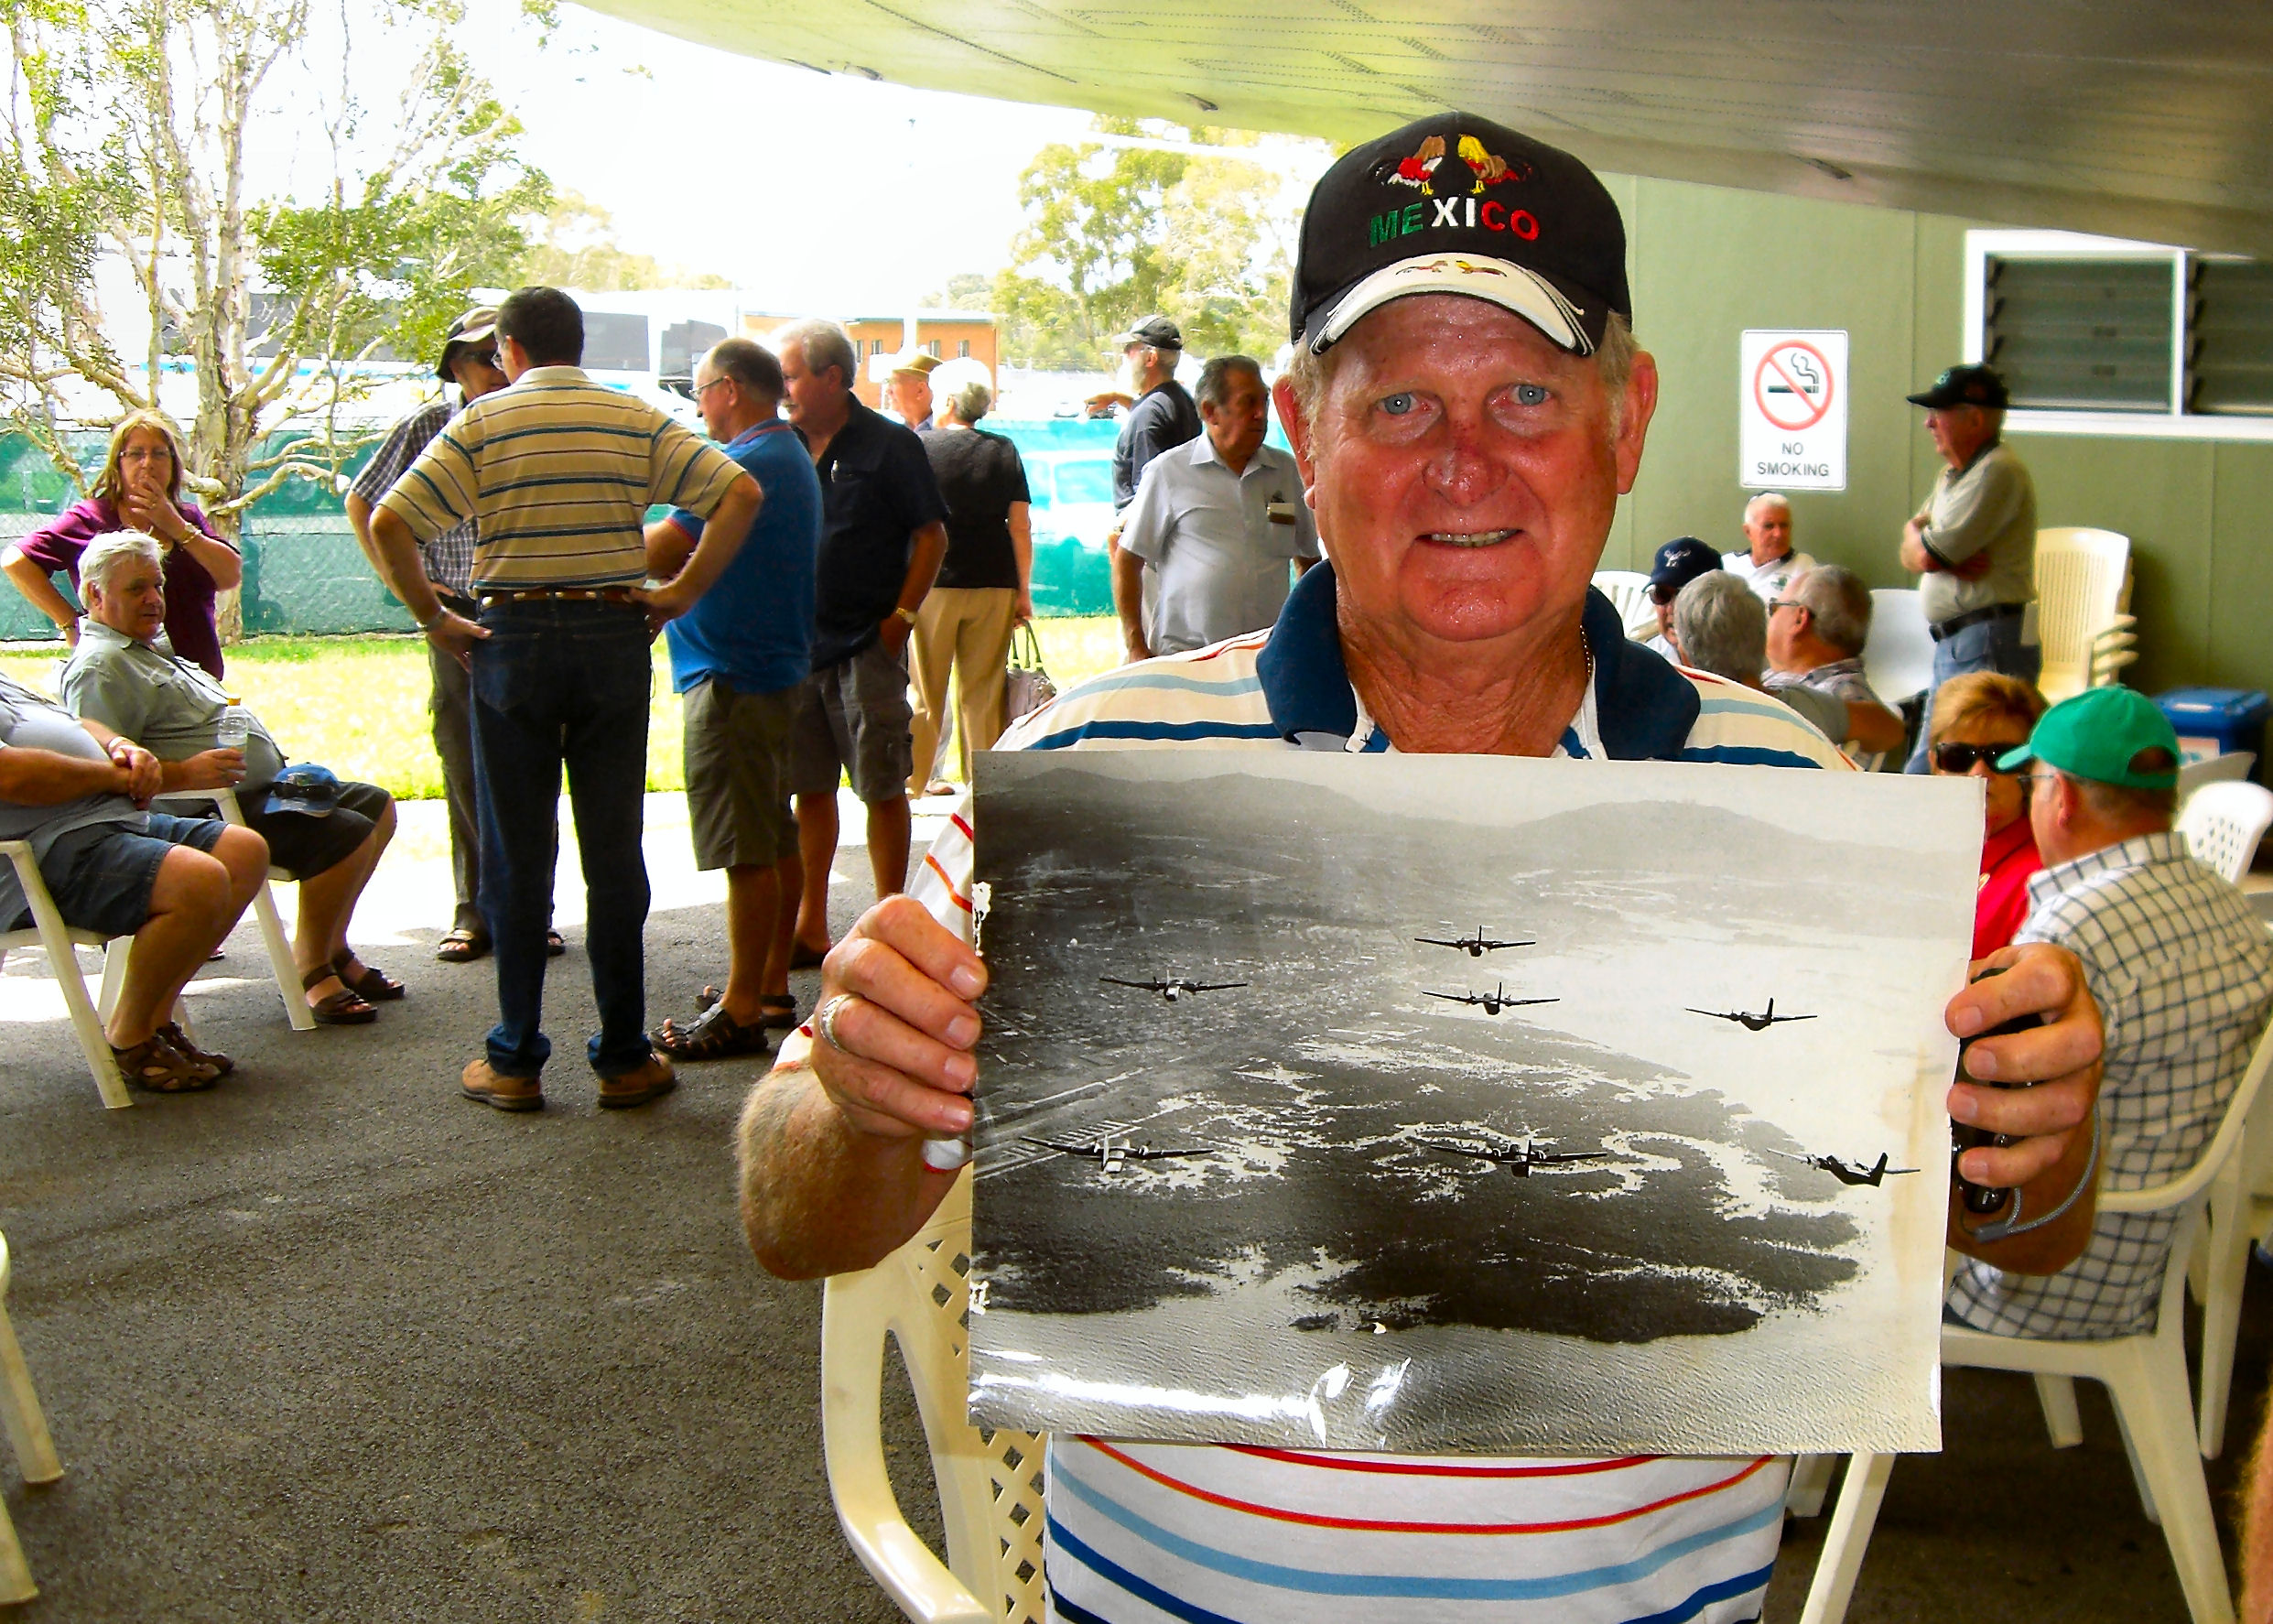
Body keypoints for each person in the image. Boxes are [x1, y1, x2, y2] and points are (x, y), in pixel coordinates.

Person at [733, 113, 2107, 1624]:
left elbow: (2014, 1234)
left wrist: (2044, 1127)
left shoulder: (1792, 791)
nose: (1464, 460)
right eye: (1396, 401)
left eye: (1526, 389)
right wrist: (863, 1093)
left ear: (1626, 419)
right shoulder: (1089, 774)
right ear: (1307, 433)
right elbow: (788, 1210)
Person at [366, 286, 761, 1113]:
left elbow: (391, 521)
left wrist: (434, 617)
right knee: (614, 854)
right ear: (579, 345)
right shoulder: (633, 417)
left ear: (508, 349)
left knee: (516, 853)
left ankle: (513, 1060)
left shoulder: (480, 421)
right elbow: (739, 495)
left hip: (508, 641)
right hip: (611, 634)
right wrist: (681, 591)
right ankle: (623, 1059)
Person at [1948, 686, 2273, 1341]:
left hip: (2040, 1271)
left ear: (2059, 796)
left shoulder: (2068, 936)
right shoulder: (2232, 905)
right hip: (2153, 1250)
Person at [61, 530, 402, 1025]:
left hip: (251, 793)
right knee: (343, 831)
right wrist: (184, 773)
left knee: (374, 804)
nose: (154, 599)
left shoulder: (145, 649)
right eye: (137, 589)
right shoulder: (101, 666)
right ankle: (310, 968)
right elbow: (110, 774)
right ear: (94, 594)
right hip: (205, 813)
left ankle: (334, 949)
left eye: (157, 585)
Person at [345, 305, 562, 966]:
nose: (492, 372)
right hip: (455, 614)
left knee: (534, 764)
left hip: (530, 610)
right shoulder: (428, 426)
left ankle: (533, 912)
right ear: (455, 368)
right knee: (466, 762)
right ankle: (474, 910)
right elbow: (366, 500)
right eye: (476, 360)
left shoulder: (540, 421)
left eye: (499, 356)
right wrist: (402, 584)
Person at [643, 338, 821, 1061]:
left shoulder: (746, 463)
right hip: (766, 669)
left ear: (729, 389)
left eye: (701, 391)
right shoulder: (786, 456)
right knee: (770, 835)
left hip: (734, 675)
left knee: (746, 846)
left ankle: (743, 1006)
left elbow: (660, 550)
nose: (698, 405)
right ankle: (764, 984)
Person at [774, 319, 949, 967]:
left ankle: (888, 923)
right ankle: (810, 924)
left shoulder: (890, 445)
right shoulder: (781, 444)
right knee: (809, 791)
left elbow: (932, 536)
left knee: (880, 785)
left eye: (790, 375)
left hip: (865, 647)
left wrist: (900, 617)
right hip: (795, 651)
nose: (782, 388)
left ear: (830, 378)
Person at [1, 667, 265, 1090]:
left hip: (108, 820)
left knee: (244, 852)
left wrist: (122, 746)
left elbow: (73, 722)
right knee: (197, 881)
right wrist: (116, 777)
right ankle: (130, 1036)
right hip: (38, 852)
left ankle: (155, 1019)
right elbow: (9, 775)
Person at [2, 411, 242, 678]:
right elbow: (15, 560)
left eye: (160, 454)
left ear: (174, 465)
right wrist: (70, 623)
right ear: (118, 464)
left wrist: (174, 524)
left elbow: (229, 576)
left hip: (197, 679)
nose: (148, 463)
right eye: (136, 454)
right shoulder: (91, 518)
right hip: (118, 678)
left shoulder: (189, 519)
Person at [1112, 354, 1320, 661]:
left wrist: (1311, 632)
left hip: (1267, 657)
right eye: (1248, 403)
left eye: (1264, 402)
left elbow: (1308, 561)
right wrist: (1136, 646)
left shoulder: (1285, 471)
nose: (1261, 414)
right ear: (1210, 411)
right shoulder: (1169, 472)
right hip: (1188, 658)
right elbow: (1127, 559)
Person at [1900, 363, 2040, 767]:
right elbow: (1915, 548)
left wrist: (1931, 554)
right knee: (1932, 763)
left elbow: (1929, 555)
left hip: (1987, 639)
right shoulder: (1953, 476)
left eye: (1939, 412)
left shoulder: (1997, 471)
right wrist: (1926, 548)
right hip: (1959, 641)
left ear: (1975, 418)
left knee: (1966, 765)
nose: (1928, 423)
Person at [908, 377, 1032, 798]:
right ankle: (984, 788)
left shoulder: (919, 448)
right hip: (995, 582)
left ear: (947, 399)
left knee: (926, 692)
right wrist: (1023, 590)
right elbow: (1020, 526)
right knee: (983, 693)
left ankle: (915, 784)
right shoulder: (1004, 450)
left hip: (932, 584)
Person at [1925, 672, 2048, 960]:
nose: (1979, 773)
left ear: (2030, 768)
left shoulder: (2037, 880)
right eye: (1958, 756)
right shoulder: (1913, 846)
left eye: (2001, 756)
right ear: (1935, 764)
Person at [1762, 565, 1909, 761]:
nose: (1769, 616)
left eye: (1775, 608)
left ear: (1799, 619)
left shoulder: (1841, 698)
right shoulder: (1784, 676)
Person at [1107, 315, 1201, 512]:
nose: (1125, 356)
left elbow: (1149, 495)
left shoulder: (1149, 415)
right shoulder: (1180, 400)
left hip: (1139, 534)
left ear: (1150, 358)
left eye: (1129, 350)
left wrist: (1119, 531)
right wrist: (1120, 398)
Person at [1637, 535, 1720, 658]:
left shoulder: (1743, 662)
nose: (1671, 609)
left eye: (1685, 596)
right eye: (1661, 595)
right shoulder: (1646, 661)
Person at [1721, 492, 1814, 601]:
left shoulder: (1804, 567)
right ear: (1748, 531)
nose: (1778, 534)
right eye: (1769, 526)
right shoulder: (1728, 565)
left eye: (1784, 526)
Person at [882, 351, 941, 431]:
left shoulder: (949, 433)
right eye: (887, 382)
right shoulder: (889, 430)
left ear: (920, 390)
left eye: (894, 382)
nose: (887, 391)